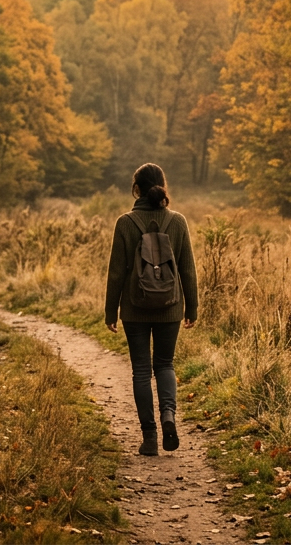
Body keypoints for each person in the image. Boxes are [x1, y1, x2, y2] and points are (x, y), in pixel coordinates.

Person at [103, 163, 198, 456]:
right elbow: (187, 269)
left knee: (142, 371)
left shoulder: (125, 223)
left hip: (135, 309)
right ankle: (169, 415)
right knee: (165, 364)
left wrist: (110, 312)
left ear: (136, 189)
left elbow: (116, 273)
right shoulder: (178, 222)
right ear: (163, 187)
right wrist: (191, 307)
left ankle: (149, 438)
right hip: (171, 307)